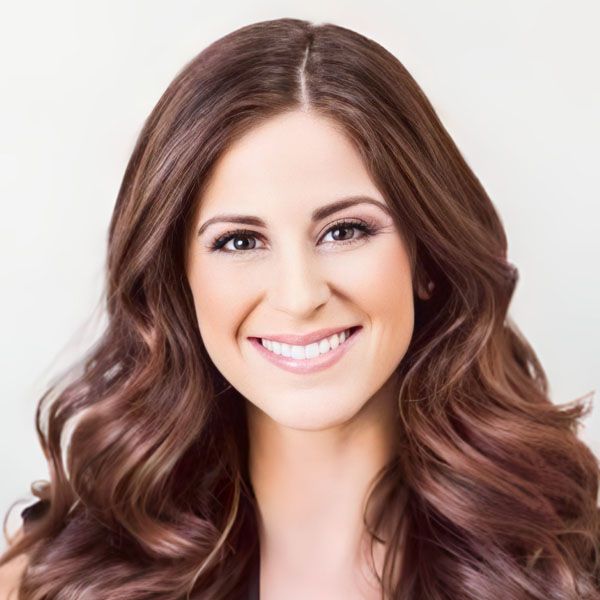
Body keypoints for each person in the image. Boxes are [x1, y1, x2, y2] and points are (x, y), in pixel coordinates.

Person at [1, 17, 599, 600]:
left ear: (426, 256)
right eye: (240, 241)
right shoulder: (48, 584)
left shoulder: (564, 574)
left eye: (344, 231)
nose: (299, 295)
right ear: (179, 281)